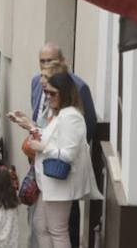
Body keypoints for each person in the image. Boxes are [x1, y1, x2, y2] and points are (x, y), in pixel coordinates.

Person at [21, 72, 94, 248]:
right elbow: (49, 136)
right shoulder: (61, 114)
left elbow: (69, 153)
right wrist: (30, 126)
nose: (48, 97)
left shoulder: (71, 116)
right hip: (49, 183)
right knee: (41, 226)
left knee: (57, 231)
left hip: (59, 184)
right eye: (47, 93)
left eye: (53, 93)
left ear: (65, 93)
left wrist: (42, 148)